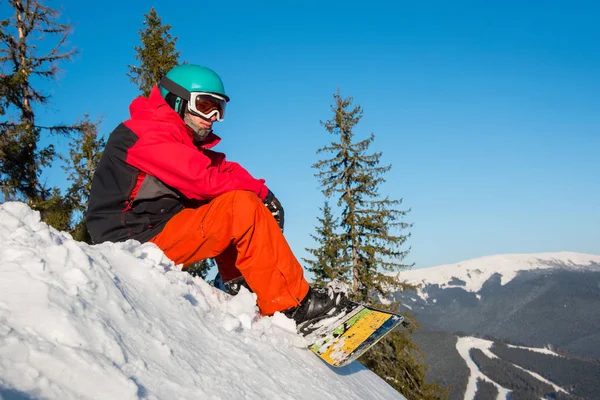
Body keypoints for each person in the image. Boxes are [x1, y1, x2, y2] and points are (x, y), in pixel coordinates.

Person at [86, 64, 346, 328]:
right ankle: (294, 306)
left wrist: (266, 194)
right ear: (176, 100)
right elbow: (203, 179)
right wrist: (258, 196)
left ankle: (245, 286)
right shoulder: (145, 132)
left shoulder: (180, 141)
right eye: (205, 105)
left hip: (157, 230)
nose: (212, 116)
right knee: (239, 205)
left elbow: (223, 169)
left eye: (219, 109)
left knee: (235, 201)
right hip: (132, 241)